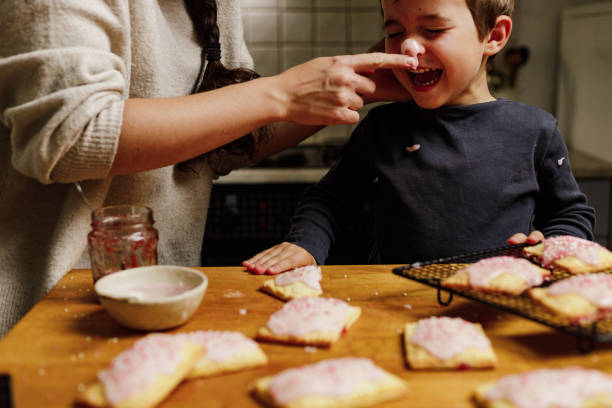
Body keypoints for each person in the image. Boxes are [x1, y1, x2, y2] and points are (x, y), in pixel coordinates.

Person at [0, 0, 416, 336]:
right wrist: (279, 93)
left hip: (165, 303)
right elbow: (71, 136)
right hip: (43, 315)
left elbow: (226, 143)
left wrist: (360, 79)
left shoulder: (215, 6)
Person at [243, 0, 596, 275]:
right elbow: (329, 200)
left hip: (495, 306)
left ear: (494, 35)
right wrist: (305, 245)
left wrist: (549, 246)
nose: (408, 47)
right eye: (395, 32)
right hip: (393, 301)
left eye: (433, 28)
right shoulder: (383, 127)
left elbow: (570, 213)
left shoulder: (534, 130)